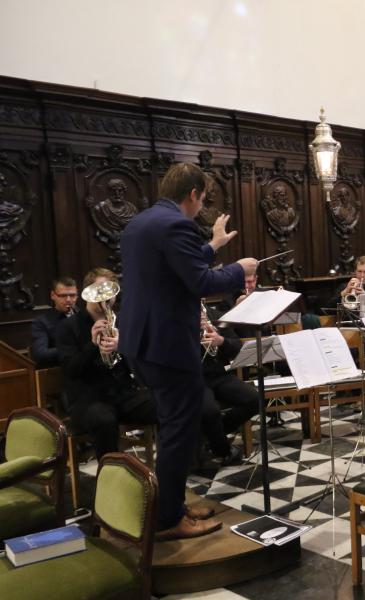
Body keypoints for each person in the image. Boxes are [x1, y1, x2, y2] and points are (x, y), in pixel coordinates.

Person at [118, 162, 257, 541]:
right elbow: (197, 280)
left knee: (174, 425)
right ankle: (167, 521)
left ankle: (171, 505)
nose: (201, 207)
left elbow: (175, 266)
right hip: (166, 345)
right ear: (193, 194)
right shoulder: (175, 224)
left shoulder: (141, 223)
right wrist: (238, 269)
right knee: (180, 428)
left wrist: (213, 245)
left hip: (140, 342)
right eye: (202, 199)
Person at [56, 268, 156, 460]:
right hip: (88, 399)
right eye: (100, 292)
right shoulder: (68, 327)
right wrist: (92, 345)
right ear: (87, 293)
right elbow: (71, 370)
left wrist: (123, 345)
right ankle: (110, 476)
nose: (106, 299)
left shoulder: (123, 322)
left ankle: (171, 466)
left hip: (124, 394)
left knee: (168, 403)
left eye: (110, 293)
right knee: (104, 420)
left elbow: (140, 362)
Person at [197, 303, 258, 465]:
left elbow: (237, 346)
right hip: (194, 379)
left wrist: (221, 340)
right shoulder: (176, 317)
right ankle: (223, 450)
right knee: (210, 411)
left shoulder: (216, 315)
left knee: (255, 398)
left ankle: (212, 437)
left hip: (219, 375)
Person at [30, 276, 79, 368]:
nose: (68, 300)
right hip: (59, 371)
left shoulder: (83, 316)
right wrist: (72, 348)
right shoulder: (41, 322)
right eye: (63, 296)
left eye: (72, 295)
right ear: (53, 295)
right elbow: (40, 355)